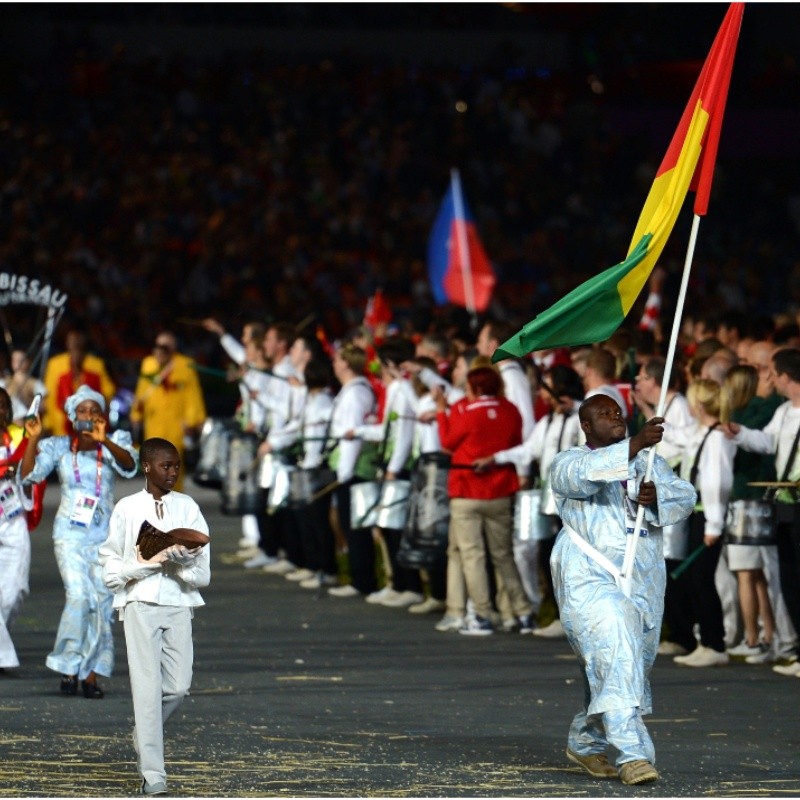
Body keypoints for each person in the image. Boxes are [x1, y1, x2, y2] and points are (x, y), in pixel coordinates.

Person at [549, 394, 695, 785]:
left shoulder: (649, 463)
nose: (615, 417)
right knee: (617, 650)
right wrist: (635, 445)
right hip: (589, 574)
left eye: (618, 412)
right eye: (604, 414)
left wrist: (659, 496)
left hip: (643, 577)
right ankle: (634, 755)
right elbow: (582, 477)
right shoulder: (568, 461)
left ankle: (585, 741)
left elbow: (687, 496)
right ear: (585, 425)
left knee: (626, 666)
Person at [99, 437, 210, 796]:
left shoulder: (188, 506)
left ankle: (145, 733)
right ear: (147, 467)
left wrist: (179, 564)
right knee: (145, 691)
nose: (173, 472)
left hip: (179, 603)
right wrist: (147, 565)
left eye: (177, 465)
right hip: (140, 605)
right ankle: (153, 775)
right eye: (166, 466)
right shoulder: (128, 508)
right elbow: (110, 568)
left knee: (178, 686)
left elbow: (203, 575)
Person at [20, 384, 138, 697]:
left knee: (101, 602)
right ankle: (69, 665)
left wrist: (106, 443)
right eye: (82, 411)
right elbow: (28, 474)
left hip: (105, 536)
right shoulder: (59, 446)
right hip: (69, 534)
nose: (88, 416)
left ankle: (91, 674)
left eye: (94, 411)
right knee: (78, 596)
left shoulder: (116, 442)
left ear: (102, 417)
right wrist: (32, 438)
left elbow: (130, 466)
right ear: (73, 417)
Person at [434, 366, 534, 635]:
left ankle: (482, 614)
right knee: (503, 555)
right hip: (500, 489)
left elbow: (447, 442)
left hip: (467, 490)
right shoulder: (511, 410)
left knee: (473, 556)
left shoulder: (467, 413)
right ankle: (522, 612)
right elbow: (515, 441)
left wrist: (441, 412)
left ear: (475, 388)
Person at [725, 347, 800, 676]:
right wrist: (739, 432)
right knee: (788, 576)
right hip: (785, 504)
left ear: (785, 377)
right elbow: (767, 442)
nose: (770, 379)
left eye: (773, 373)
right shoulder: (784, 412)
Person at [672, 379, 736, 668]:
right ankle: (705, 640)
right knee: (693, 579)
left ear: (699, 404)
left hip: (709, 514)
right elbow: (677, 437)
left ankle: (715, 642)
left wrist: (714, 524)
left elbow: (717, 482)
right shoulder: (701, 433)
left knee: (702, 578)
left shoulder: (717, 438)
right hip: (696, 512)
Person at [130, 331, 206, 491]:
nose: (160, 350)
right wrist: (136, 414)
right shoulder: (148, 364)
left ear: (173, 348)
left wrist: (192, 421)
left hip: (176, 427)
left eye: (164, 347)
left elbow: (192, 395)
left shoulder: (185, 365)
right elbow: (142, 391)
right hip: (154, 424)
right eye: (157, 346)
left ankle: (175, 506)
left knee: (173, 468)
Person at [0, 388, 33, 672]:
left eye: (2, 406)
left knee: (15, 590)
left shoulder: (20, 436)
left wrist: (33, 440)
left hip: (12, 518)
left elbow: (33, 467)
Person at [43, 328, 116, 436]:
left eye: (78, 341)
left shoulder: (95, 365)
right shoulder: (55, 364)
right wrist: (48, 422)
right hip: (61, 426)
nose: (75, 343)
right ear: (67, 343)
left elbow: (108, 391)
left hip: (90, 426)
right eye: (72, 341)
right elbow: (50, 395)